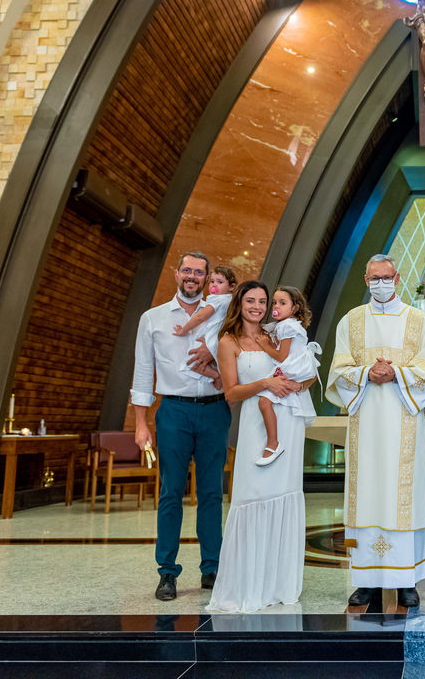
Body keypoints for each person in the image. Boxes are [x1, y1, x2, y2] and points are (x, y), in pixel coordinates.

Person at [325, 254, 425, 607]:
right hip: (365, 424)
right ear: (366, 280)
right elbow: (338, 368)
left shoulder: (419, 321)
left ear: (398, 278)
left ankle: (406, 580)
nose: (381, 283)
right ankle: (366, 580)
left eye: (387, 277)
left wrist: (397, 373)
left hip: (405, 421)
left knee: (404, 497)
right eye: (374, 278)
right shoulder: (351, 321)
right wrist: (367, 372)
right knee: (366, 494)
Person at [131, 251, 229, 601]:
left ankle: (212, 568)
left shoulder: (221, 313)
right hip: (173, 411)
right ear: (176, 274)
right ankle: (167, 573)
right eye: (186, 270)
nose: (192, 276)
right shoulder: (153, 318)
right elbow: (143, 370)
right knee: (171, 492)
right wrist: (140, 423)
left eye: (199, 272)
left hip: (215, 410)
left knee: (212, 493)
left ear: (207, 279)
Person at [208, 281, 308, 613]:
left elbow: (306, 371)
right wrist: (265, 383)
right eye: (250, 300)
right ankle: (247, 585)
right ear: (239, 303)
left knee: (284, 493)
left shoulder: (276, 334)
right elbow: (231, 392)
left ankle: (278, 584)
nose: (257, 306)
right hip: (256, 424)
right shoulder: (228, 341)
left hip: (288, 422)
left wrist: (293, 385)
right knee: (252, 496)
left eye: (263, 301)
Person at [252, 285, 320, 465]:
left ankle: (273, 443)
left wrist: (264, 345)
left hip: (293, 369)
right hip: (294, 368)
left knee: (264, 401)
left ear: (295, 307)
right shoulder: (285, 325)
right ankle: (273, 442)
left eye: (282, 303)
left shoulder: (287, 326)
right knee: (267, 401)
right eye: (274, 303)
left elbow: (282, 356)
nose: (276, 307)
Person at [175, 266, 237, 387]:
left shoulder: (219, 300)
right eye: (212, 282)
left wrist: (184, 330)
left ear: (231, 287)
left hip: (210, 337)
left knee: (191, 362)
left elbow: (200, 317)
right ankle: (216, 377)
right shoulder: (230, 301)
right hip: (219, 338)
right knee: (202, 362)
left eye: (220, 282)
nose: (214, 285)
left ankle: (217, 376)